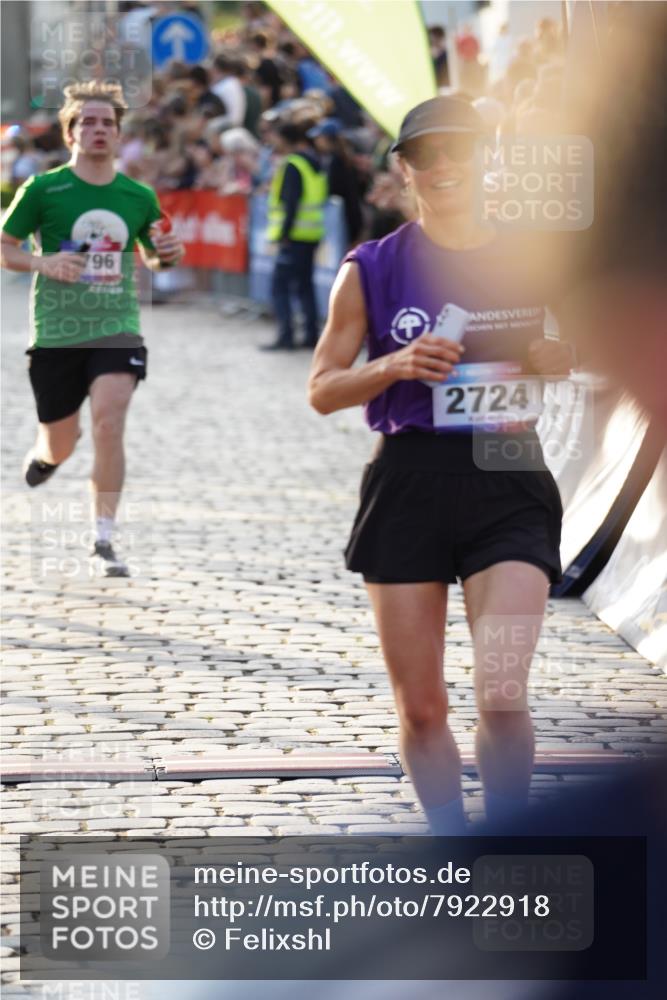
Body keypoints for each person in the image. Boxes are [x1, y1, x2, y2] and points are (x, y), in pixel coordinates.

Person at [308, 96, 573, 834]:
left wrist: (562, 353)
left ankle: (507, 846)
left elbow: (599, 342)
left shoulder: (534, 257)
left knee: (501, 693)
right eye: (425, 153)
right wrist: (393, 364)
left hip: (508, 469)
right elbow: (322, 390)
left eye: (460, 147)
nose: (444, 164)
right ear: (404, 169)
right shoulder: (371, 268)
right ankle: (451, 844)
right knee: (422, 709)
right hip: (409, 478)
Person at [0, 81, 184, 577]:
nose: (98, 129)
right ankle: (47, 456)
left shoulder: (138, 196)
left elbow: (156, 256)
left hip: (116, 325)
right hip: (57, 331)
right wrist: (42, 262)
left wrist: (168, 255)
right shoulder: (43, 189)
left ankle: (103, 539)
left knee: (109, 421)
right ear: (70, 133)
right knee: (61, 440)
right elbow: (5, 246)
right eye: (88, 122)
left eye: (107, 123)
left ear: (119, 134)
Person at [261, 121, 327, 351]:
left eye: (275, 137)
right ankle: (310, 335)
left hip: (293, 236)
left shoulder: (293, 164)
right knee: (305, 287)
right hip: (311, 234)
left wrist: (284, 234)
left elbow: (291, 202)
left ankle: (286, 336)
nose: (272, 142)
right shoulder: (313, 162)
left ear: (285, 138)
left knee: (280, 287)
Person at [306, 118, 363, 247]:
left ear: (327, 138)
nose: (316, 141)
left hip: (344, 219)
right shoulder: (340, 157)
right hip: (347, 217)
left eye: (319, 137)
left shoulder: (336, 161)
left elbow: (334, 189)